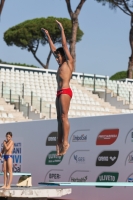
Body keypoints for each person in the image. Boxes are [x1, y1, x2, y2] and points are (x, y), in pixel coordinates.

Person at [41, 20, 74, 156]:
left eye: (59, 57)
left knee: (64, 116)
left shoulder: (69, 63)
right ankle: (59, 142)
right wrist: (48, 36)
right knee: (59, 119)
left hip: (66, 91)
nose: (57, 59)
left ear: (63, 56)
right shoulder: (60, 65)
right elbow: (53, 49)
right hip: (58, 92)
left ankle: (66, 142)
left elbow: (64, 45)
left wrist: (61, 29)